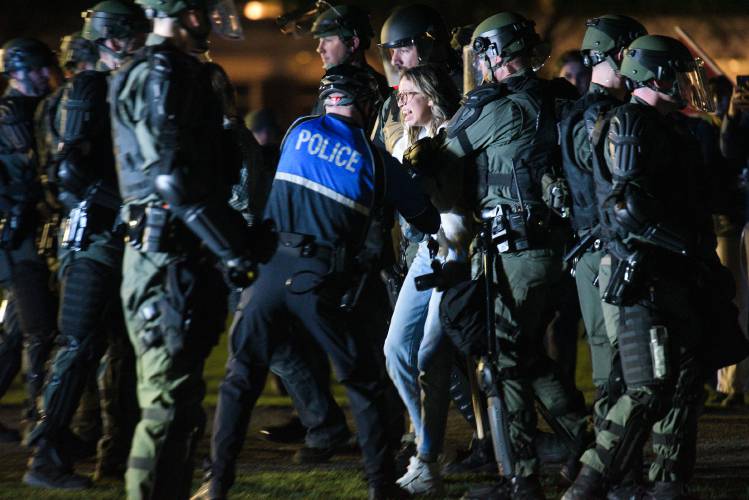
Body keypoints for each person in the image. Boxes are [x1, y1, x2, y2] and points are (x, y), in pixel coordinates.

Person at [193, 63, 440, 500]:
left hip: (267, 271)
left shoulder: (297, 129)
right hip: (319, 280)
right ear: (366, 104)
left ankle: (218, 483)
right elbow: (426, 216)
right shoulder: (375, 159)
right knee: (361, 383)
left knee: (239, 380)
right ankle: (381, 485)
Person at [420, 12, 590, 498]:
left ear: (493, 53)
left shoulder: (497, 108)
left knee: (503, 362)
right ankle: (588, 442)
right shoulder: (559, 97)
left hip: (512, 250)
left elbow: (444, 163)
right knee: (530, 355)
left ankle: (521, 477)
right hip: (559, 250)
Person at [563, 35, 735, 499]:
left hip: (682, 275)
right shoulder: (630, 124)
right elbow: (627, 205)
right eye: (679, 73)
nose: (686, 84)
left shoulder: (670, 128)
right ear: (656, 75)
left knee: (684, 384)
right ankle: (587, 483)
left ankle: (668, 483)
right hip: (646, 275)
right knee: (647, 387)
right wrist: (680, 245)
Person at [108, 0, 258, 497]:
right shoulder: (162, 73)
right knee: (165, 404)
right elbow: (172, 180)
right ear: (186, 12)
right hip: (164, 256)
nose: (211, 19)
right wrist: (233, 248)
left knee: (182, 401)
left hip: (175, 255)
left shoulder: (161, 70)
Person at [23, 1, 148, 489]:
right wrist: (120, 204)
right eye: (133, 36)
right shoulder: (89, 86)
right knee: (76, 346)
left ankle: (114, 454)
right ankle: (44, 456)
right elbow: (68, 173)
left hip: (110, 237)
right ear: (115, 39)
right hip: (94, 238)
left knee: (116, 349)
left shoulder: (107, 85)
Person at [558, 14, 647, 496]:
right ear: (617, 55)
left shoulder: (583, 110)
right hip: (604, 252)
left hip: (594, 251)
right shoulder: (600, 116)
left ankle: (596, 466)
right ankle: (613, 474)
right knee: (618, 367)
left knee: (613, 366)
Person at [381, 63, 467, 496]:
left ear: (430, 96)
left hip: (458, 253)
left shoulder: (455, 134)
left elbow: (454, 201)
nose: (401, 101)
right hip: (427, 254)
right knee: (395, 350)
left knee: (432, 354)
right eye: (399, 94)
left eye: (409, 94)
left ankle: (427, 459)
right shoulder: (407, 141)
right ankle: (425, 443)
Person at [0, 37, 61, 439]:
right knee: (38, 328)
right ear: (18, 70)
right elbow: (32, 174)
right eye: (38, 69)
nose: (46, 75)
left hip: (21, 233)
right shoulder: (14, 114)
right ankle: (37, 420)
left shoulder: (24, 110)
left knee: (20, 329)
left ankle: (35, 416)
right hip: (19, 236)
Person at [309, 4, 388, 115]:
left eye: (328, 40)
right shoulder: (334, 82)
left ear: (353, 43)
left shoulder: (374, 90)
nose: (320, 49)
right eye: (320, 41)